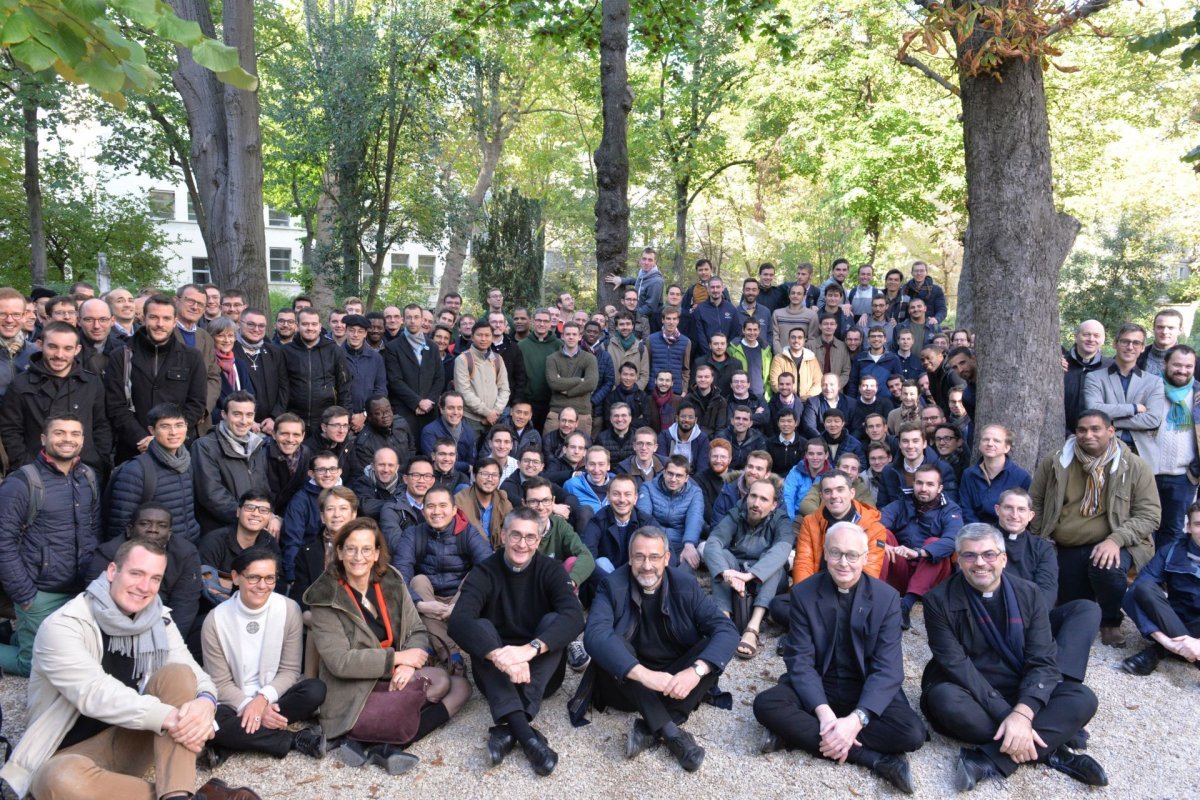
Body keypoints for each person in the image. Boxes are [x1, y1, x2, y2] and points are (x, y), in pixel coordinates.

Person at [0, 539, 259, 800]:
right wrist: (172, 717)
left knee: (179, 674)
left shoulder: (157, 618)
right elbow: (95, 693)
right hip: (67, 753)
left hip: (129, 738)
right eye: (136, 573)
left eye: (155, 578)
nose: (145, 587)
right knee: (59, 781)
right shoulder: (63, 626)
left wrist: (205, 702)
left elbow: (194, 671)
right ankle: (193, 797)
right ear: (112, 572)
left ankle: (177, 791)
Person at [921, 525, 1108, 792]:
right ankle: (1052, 750)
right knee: (945, 702)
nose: (980, 563)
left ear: (1003, 558)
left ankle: (987, 758)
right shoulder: (937, 601)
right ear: (959, 560)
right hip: (969, 688)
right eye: (970, 556)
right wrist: (1012, 717)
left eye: (989, 554)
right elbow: (956, 665)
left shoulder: (1028, 593)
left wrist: (1023, 712)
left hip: (1018, 682)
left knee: (1083, 699)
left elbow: (1042, 659)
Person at [754, 522, 924, 794]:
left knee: (912, 733)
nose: (843, 563)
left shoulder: (887, 598)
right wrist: (824, 715)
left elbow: (888, 669)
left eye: (852, 555)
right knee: (766, 704)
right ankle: (874, 760)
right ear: (825, 554)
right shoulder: (803, 593)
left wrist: (855, 721)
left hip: (864, 684)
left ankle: (794, 736)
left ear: (865, 558)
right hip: (820, 682)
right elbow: (800, 660)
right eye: (835, 553)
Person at [304, 518, 470, 775]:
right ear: (339, 552)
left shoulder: (391, 579)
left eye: (366, 549)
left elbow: (416, 630)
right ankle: (389, 743)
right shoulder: (325, 596)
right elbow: (340, 662)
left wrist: (405, 664)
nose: (358, 556)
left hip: (392, 675)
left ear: (377, 553)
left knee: (459, 687)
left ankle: (376, 743)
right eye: (351, 548)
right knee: (438, 683)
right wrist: (397, 658)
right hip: (355, 686)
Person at [570, 526, 737, 771]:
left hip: (675, 682)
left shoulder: (685, 585)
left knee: (711, 651)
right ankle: (671, 733)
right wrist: (646, 675)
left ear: (667, 559)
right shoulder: (612, 585)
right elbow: (594, 635)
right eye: (639, 556)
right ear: (630, 558)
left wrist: (695, 672)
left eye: (654, 557)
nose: (647, 565)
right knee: (615, 645)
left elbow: (727, 630)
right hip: (626, 686)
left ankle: (649, 729)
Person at [447, 508, 585, 776]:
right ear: (503, 535)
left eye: (530, 537)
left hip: (542, 674)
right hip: (495, 673)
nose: (523, 544)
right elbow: (458, 621)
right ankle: (527, 735)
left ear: (539, 540)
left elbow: (574, 617)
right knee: (481, 628)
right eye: (516, 536)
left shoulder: (551, 571)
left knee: (553, 621)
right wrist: (499, 655)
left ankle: (509, 727)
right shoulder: (484, 571)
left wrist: (528, 651)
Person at [1030, 409, 1160, 647]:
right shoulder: (1057, 461)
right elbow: (1035, 500)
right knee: (1072, 602)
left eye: (1095, 429)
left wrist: (1116, 540)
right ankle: (1086, 618)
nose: (1088, 434)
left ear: (1111, 431)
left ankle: (1110, 620)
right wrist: (1042, 537)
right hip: (1066, 543)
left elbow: (1150, 515)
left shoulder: (1134, 466)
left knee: (1107, 569)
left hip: (1115, 541)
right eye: (1082, 429)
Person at [0, 414, 100, 676]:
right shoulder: (22, 483)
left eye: (75, 434)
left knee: (74, 654)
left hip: (78, 591)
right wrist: (25, 596)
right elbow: (3, 542)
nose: (68, 439)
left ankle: (18, 637)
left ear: (82, 440)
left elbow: (93, 530)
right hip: (40, 592)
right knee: (34, 666)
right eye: (59, 433)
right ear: (44, 439)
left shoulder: (87, 477)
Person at [991, 493, 1101, 686]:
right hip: (994, 617)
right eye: (1008, 508)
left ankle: (1058, 676)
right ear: (997, 510)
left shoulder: (1042, 548)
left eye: (1021, 509)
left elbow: (1048, 590)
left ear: (1031, 515)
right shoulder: (983, 542)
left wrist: (1030, 623)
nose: (1014, 515)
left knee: (1087, 608)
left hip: (1035, 619)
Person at [390, 486, 492, 660]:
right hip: (427, 599)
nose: (436, 511)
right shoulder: (413, 534)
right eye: (431, 506)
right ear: (423, 511)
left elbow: (489, 569)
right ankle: (452, 653)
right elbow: (400, 575)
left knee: (475, 576)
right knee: (418, 581)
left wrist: (459, 606)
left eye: (443, 505)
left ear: (454, 510)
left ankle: (434, 643)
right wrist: (419, 604)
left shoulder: (468, 532)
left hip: (459, 598)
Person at [106, 295, 207, 463]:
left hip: (177, 450)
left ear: (174, 321)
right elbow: (115, 406)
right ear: (143, 318)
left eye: (166, 318)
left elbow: (196, 404)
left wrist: (168, 437)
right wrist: (142, 439)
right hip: (133, 450)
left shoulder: (192, 358)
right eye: (154, 317)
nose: (160, 324)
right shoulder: (121, 356)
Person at [86, 502, 203, 649]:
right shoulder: (108, 552)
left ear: (169, 534)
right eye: (145, 524)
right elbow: (97, 599)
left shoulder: (186, 553)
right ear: (129, 530)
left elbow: (185, 604)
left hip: (164, 622)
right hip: (114, 622)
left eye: (161, 525)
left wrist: (165, 643)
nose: (153, 530)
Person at [0, 321, 111, 472]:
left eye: (67, 348)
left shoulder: (91, 382)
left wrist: (99, 460)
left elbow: (102, 425)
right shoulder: (21, 384)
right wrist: (25, 465)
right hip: (36, 472)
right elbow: (10, 430)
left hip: (85, 470)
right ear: (40, 345)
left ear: (77, 349)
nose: (59, 355)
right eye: (52, 347)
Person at [704, 479, 792, 660]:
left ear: (774, 504)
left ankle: (753, 627)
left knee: (774, 561)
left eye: (763, 499)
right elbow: (713, 542)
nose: (756, 503)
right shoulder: (736, 514)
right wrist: (726, 572)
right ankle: (724, 622)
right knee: (721, 555)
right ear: (746, 496)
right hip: (735, 572)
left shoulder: (781, 519)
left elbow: (782, 549)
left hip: (766, 578)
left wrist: (749, 575)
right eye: (753, 496)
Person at [1122, 500, 1200, 676]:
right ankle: (1171, 648)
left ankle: (1157, 652)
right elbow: (1139, 588)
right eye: (1198, 524)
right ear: (1188, 527)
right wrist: (1168, 642)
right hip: (1173, 620)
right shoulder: (1171, 550)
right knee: (1139, 590)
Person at [191, 392, 271, 535]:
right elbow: (211, 494)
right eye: (237, 414)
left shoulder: (257, 445)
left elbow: (263, 486)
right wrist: (249, 517)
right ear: (224, 414)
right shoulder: (205, 446)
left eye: (249, 415)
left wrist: (268, 515)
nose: (243, 421)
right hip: (221, 531)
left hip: (253, 527)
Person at [1082, 322, 1163, 455]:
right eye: (1125, 341)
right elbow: (1093, 410)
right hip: (1104, 451)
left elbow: (1153, 420)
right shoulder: (1094, 378)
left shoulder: (1154, 382)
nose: (1130, 347)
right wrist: (1134, 408)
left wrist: (1112, 420)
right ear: (1115, 343)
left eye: (1136, 343)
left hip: (1142, 454)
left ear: (1142, 348)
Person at [198, 491, 282, 604]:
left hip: (259, 606)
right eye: (249, 508)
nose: (256, 514)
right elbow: (208, 585)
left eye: (263, 510)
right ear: (238, 512)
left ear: (269, 517)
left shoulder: (269, 543)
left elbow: (277, 580)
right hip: (216, 607)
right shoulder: (214, 541)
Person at [281, 307, 352, 432]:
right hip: (294, 419)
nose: (310, 328)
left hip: (326, 420)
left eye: (314, 324)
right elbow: (281, 387)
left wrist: (345, 418)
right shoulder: (286, 351)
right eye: (305, 324)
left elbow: (344, 387)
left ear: (320, 326)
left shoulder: (334, 350)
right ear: (297, 326)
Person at [282, 451, 344, 583]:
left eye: (332, 469)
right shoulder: (300, 500)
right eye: (321, 470)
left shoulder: (348, 496)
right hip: (310, 565)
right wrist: (292, 577)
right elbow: (292, 541)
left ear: (339, 472)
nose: (327, 474)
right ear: (311, 473)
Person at [636, 456, 705, 572]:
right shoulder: (648, 487)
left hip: (680, 542)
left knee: (685, 567)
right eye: (670, 474)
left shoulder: (695, 492)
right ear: (664, 473)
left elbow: (695, 518)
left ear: (686, 478)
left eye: (679, 476)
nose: (673, 479)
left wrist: (689, 543)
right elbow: (644, 517)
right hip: (654, 540)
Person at [384, 304, 444, 435]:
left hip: (430, 411)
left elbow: (439, 378)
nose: (412, 321)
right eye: (409, 317)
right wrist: (417, 402)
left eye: (416, 317)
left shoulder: (433, 346)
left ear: (422, 320)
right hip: (406, 410)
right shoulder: (392, 348)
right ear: (403, 320)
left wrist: (429, 403)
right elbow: (395, 381)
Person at [960, 424, 1032, 526]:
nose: (990, 443)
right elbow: (965, 508)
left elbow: (1023, 511)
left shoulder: (1021, 477)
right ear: (980, 445)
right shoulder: (969, 474)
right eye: (985, 439)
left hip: (1006, 532)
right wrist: (979, 531)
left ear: (1007, 448)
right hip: (975, 531)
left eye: (996, 441)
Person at [233, 308, 288, 433]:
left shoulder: (274, 352)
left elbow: (284, 387)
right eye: (251, 324)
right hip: (240, 425)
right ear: (239, 324)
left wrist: (275, 417)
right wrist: (246, 419)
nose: (256, 329)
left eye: (261, 326)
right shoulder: (231, 351)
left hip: (270, 425)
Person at [455, 457, 513, 547]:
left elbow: (511, 531)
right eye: (485, 474)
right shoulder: (460, 501)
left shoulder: (503, 500)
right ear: (474, 476)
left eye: (494, 475)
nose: (490, 479)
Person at [605, 246, 664, 331]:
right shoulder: (644, 275)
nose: (646, 262)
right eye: (644, 259)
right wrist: (622, 280)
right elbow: (638, 281)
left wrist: (630, 315)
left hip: (649, 324)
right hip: (638, 319)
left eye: (650, 260)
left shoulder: (656, 282)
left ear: (655, 262)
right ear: (640, 260)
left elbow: (650, 307)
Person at [352, 395, 413, 472]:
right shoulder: (364, 443)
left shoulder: (401, 422)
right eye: (378, 413)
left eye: (388, 411)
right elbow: (372, 473)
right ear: (369, 417)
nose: (385, 416)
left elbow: (412, 448)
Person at [420, 391, 476, 474]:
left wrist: (467, 468)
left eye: (459, 408)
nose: (456, 412)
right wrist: (466, 467)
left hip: (462, 478)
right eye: (451, 408)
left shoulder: (469, 431)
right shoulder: (429, 431)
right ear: (441, 409)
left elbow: (472, 462)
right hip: (437, 478)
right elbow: (434, 462)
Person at [350, 446, 403, 521]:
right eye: (381, 465)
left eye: (390, 465)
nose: (386, 470)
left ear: (397, 468)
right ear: (373, 466)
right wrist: (400, 505)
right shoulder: (362, 482)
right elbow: (367, 508)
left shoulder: (405, 482)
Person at [647, 306, 692, 395]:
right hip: (654, 390)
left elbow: (685, 369)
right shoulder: (651, 339)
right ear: (662, 320)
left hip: (676, 390)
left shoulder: (686, 341)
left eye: (674, 319)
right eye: (668, 319)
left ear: (678, 321)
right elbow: (647, 365)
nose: (671, 322)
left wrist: (684, 390)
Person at [657, 402, 710, 469]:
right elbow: (661, 464)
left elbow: (702, 468)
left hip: (693, 477)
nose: (686, 420)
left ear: (696, 420)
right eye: (683, 416)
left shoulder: (702, 439)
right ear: (676, 418)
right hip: (669, 475)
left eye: (690, 417)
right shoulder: (665, 436)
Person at [771, 283, 820, 355]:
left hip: (802, 358)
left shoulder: (811, 315)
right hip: (781, 358)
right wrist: (781, 355)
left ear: (804, 296)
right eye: (793, 293)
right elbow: (775, 338)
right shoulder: (777, 314)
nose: (795, 296)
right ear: (789, 295)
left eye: (799, 294)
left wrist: (800, 356)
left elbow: (812, 339)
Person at [1138, 308, 1184, 376]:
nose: (1164, 332)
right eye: (1160, 327)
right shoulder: (1137, 357)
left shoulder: (1193, 363)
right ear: (1153, 328)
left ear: (1180, 330)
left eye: (1171, 328)